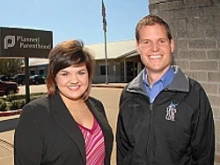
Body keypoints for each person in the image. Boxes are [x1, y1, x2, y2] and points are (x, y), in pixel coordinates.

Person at [116, 15, 215, 165]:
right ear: (138, 47)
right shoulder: (128, 94)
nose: (154, 48)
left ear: (171, 45)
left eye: (161, 41)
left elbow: (203, 155)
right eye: (147, 42)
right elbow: (123, 151)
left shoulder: (193, 93)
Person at [14, 39, 113, 165]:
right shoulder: (35, 113)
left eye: (81, 72)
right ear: (54, 77)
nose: (74, 80)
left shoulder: (97, 106)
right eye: (65, 74)